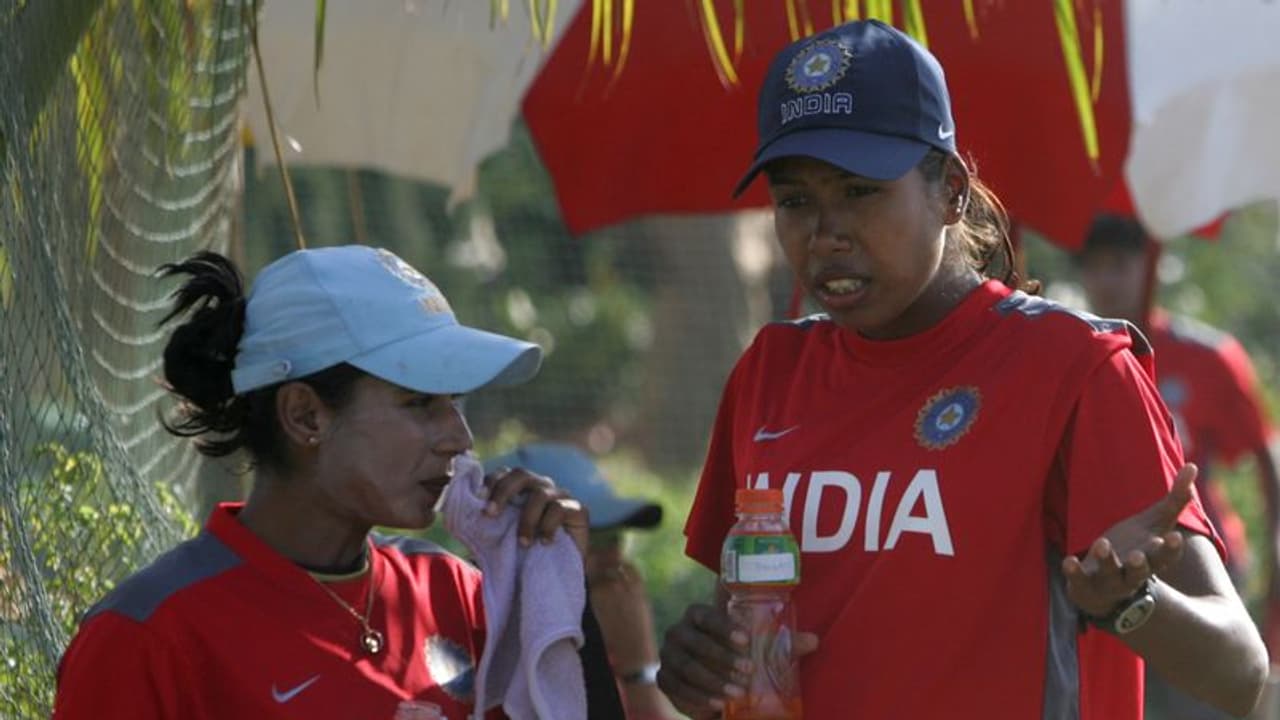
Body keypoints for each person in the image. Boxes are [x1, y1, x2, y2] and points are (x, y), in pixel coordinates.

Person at [655, 19, 1268, 720]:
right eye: (795, 200)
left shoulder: (1073, 370)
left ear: (950, 190)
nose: (825, 233)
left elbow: (1240, 674)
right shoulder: (770, 371)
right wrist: (701, 673)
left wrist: (1132, 603)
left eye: (859, 191)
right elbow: (749, 636)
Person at [52, 246, 624, 719]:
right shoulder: (147, 635)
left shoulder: (460, 593)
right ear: (306, 415)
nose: (459, 437)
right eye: (419, 401)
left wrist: (566, 601)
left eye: (456, 402)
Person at [1075, 213, 1280, 720]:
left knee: (1201, 708)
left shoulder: (1207, 357)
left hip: (1198, 560)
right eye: (1094, 268)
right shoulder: (1073, 357)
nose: (1106, 281)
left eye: (1118, 266)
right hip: (1109, 564)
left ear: (1150, 268)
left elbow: (1263, 458)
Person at [485, 443, 679, 720]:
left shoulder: (602, 653)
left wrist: (639, 666)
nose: (614, 561)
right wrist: (639, 670)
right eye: (591, 540)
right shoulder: (483, 656)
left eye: (615, 539)